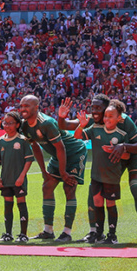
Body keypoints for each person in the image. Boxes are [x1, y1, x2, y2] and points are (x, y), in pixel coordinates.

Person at [58, 94, 137, 243]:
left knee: (136, 187)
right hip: (112, 156)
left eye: (98, 108)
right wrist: (61, 117)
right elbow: (65, 126)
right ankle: (94, 232)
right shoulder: (93, 119)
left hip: (133, 152)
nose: (94, 111)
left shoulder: (123, 120)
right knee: (93, 190)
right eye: (92, 107)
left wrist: (123, 147)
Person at [18, 94, 87, 242]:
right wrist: (44, 172)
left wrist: (63, 173)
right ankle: (48, 230)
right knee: (47, 186)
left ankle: (67, 233)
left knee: (69, 188)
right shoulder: (24, 125)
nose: (23, 109)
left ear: (36, 107)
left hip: (74, 152)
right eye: (21, 106)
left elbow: (61, 148)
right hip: (58, 155)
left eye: (26, 106)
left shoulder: (46, 123)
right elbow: (35, 147)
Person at [0, 110, 33, 243]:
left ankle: (23, 234)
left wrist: (22, 176)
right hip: (5, 180)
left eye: (10, 123)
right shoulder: (0, 141)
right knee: (7, 205)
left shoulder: (22, 141)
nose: (7, 125)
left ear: (17, 125)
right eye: (5, 122)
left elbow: (28, 160)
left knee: (21, 204)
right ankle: (8, 234)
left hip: (18, 180)